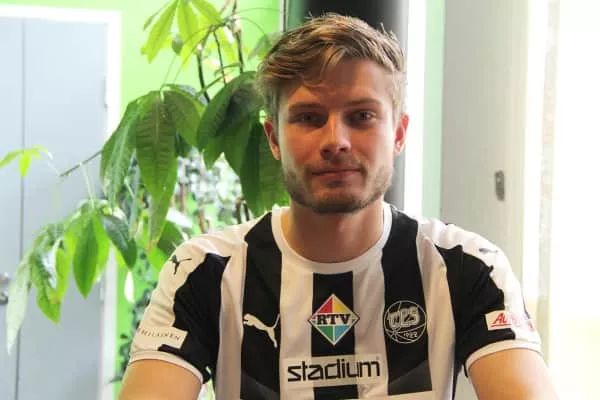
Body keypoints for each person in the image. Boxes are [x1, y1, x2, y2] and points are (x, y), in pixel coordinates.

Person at [119, 13, 558, 400]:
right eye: (309, 118)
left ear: (399, 133)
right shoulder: (204, 271)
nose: (336, 141)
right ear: (274, 139)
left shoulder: (466, 266)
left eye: (362, 116)